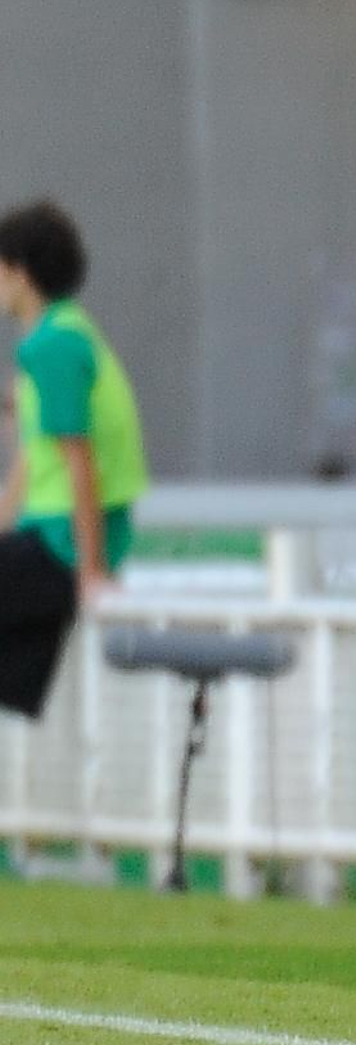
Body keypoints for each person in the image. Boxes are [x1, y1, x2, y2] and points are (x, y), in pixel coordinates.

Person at [0, 200, 148, 719]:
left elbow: (78, 459)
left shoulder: (53, 348)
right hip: (51, 536)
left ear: (18, 271)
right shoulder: (60, 334)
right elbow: (35, 456)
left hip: (65, 545)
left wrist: (90, 571)